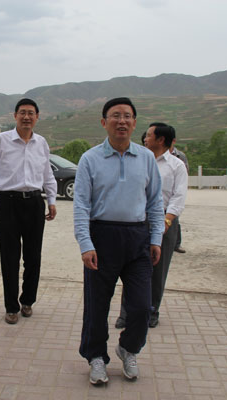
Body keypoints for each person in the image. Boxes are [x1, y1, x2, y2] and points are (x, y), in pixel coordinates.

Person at [74, 97, 164, 385]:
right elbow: (81, 205)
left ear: (135, 123)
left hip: (138, 239)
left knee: (141, 307)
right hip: (102, 239)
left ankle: (128, 348)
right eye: (115, 116)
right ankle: (96, 357)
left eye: (127, 116)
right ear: (104, 122)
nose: (121, 121)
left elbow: (155, 202)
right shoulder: (90, 159)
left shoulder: (146, 158)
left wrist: (156, 238)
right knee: (97, 305)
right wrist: (86, 244)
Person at [0, 98, 57, 324]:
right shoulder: (0, 140)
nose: (26, 117)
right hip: (8, 203)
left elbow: (47, 174)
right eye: (22, 112)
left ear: (37, 117)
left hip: (35, 202)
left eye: (31, 113)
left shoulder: (41, 143)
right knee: (9, 257)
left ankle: (28, 301)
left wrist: (51, 200)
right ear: (15, 116)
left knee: (33, 256)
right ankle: (11, 307)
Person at [117, 123, 188, 329]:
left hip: (165, 220)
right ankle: (126, 314)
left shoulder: (176, 166)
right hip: (137, 220)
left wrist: (166, 221)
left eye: (149, 136)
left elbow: (178, 197)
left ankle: (151, 311)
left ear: (161, 140)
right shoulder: (138, 160)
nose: (145, 139)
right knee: (131, 267)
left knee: (157, 269)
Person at [170, 139, 189, 254]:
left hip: (175, 191)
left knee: (175, 219)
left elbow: (185, 171)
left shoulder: (180, 156)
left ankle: (177, 244)